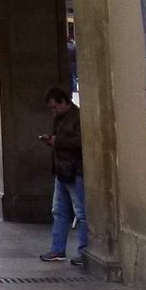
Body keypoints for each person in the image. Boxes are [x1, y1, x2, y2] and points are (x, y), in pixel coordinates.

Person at [39, 85, 87, 264]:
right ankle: (57, 249)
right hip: (62, 170)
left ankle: (84, 251)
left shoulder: (77, 117)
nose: (53, 111)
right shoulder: (60, 118)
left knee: (81, 212)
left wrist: (57, 141)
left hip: (74, 170)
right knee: (59, 211)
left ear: (65, 102)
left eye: (55, 107)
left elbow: (81, 142)